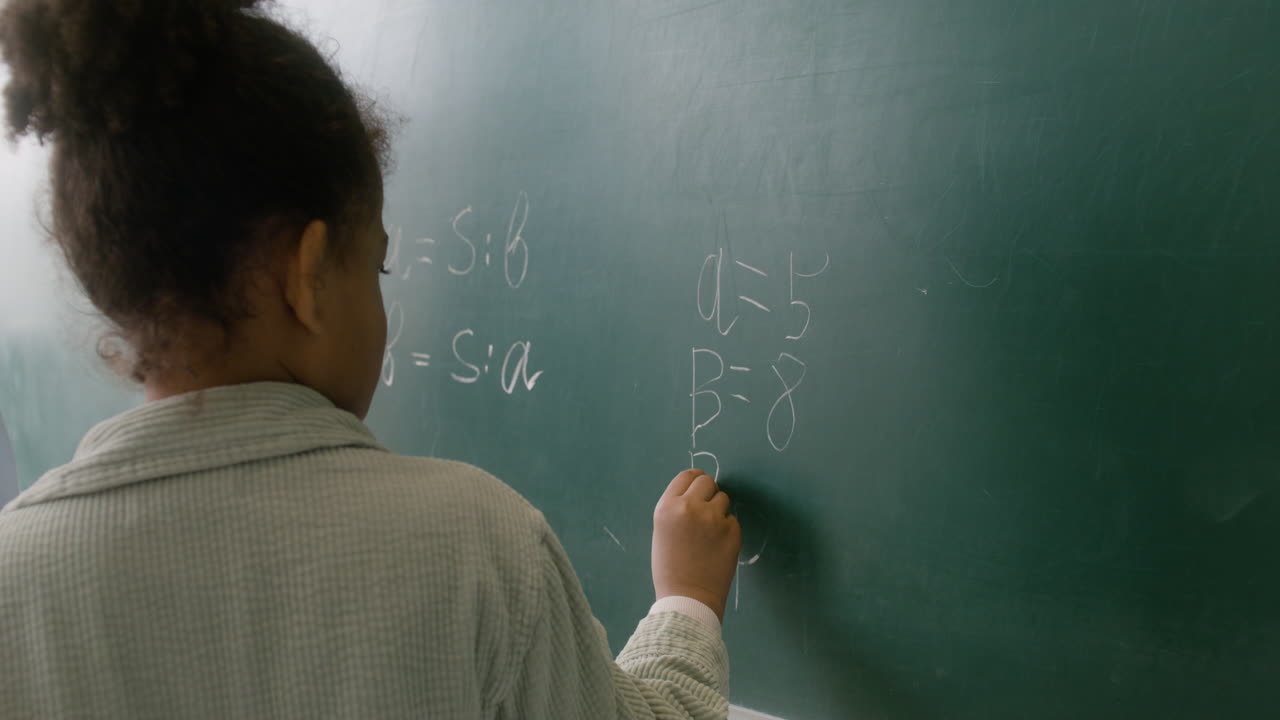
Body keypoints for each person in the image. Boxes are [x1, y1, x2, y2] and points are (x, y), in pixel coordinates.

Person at [0, 1, 742, 718]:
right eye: (376, 267)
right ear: (309, 276)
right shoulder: (475, 544)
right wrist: (687, 601)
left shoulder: (13, 574)